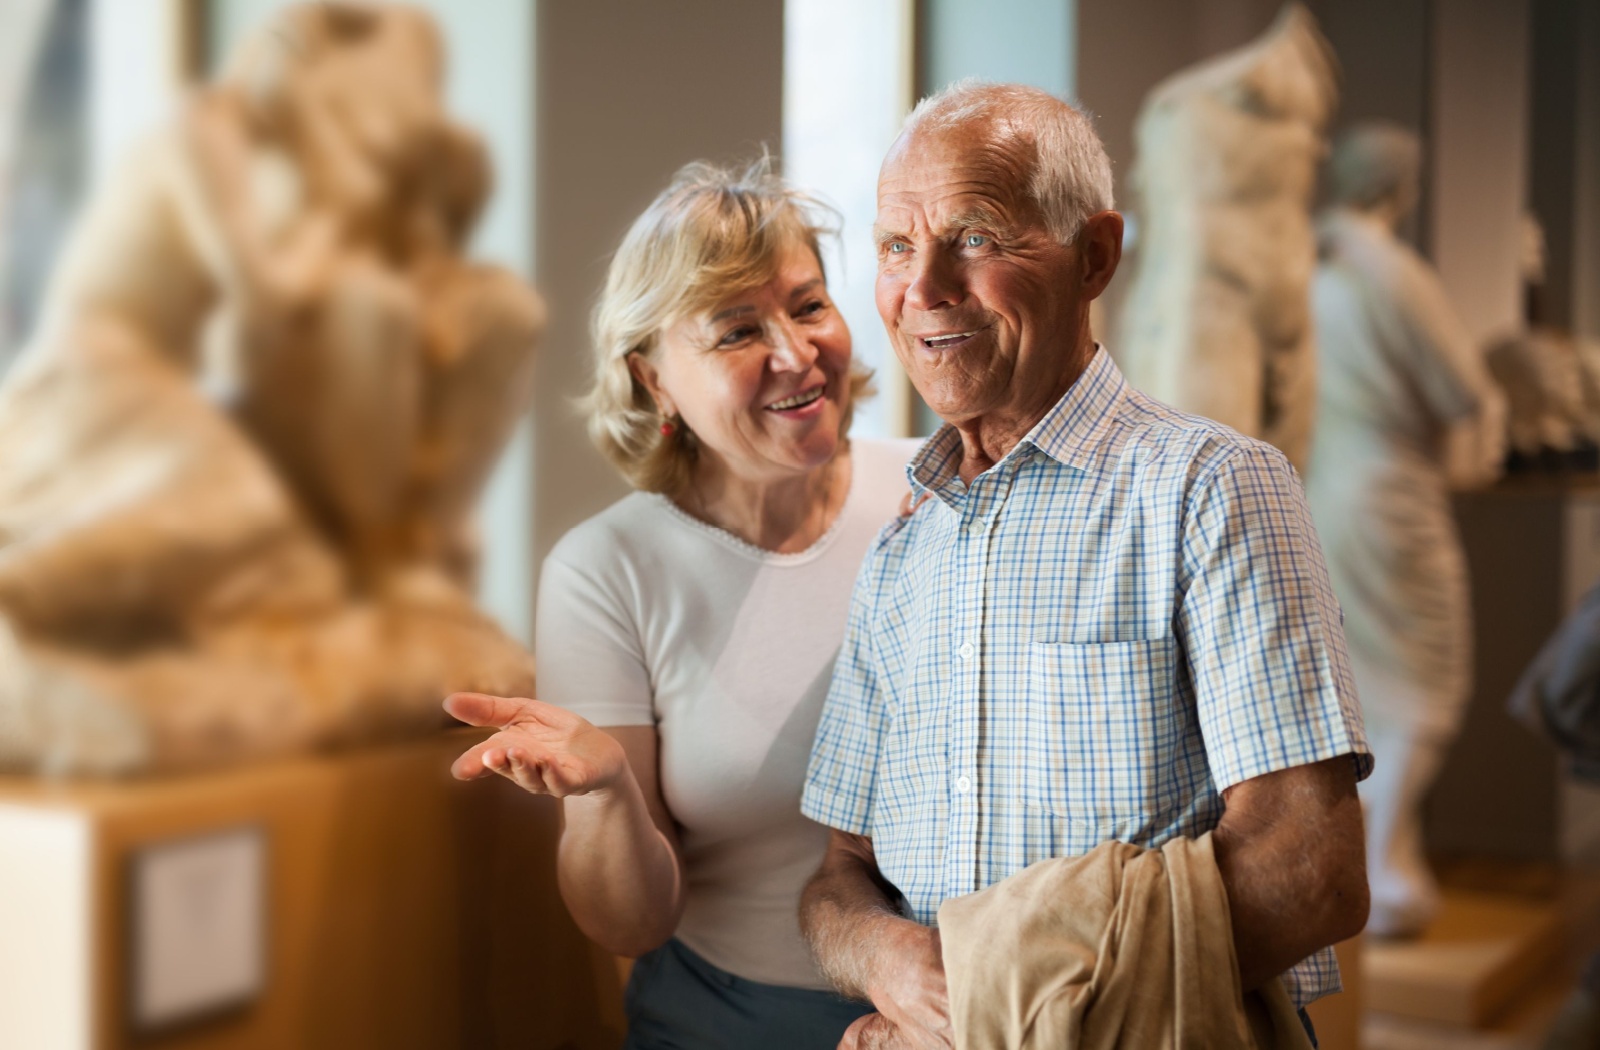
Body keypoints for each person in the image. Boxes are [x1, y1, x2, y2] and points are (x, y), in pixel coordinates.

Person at [798, 81, 1372, 1049]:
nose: (923, 288)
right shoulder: (902, 550)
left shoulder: (1211, 490)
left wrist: (985, 1014)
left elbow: (1308, 873)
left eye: (975, 237)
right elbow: (836, 878)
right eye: (895, 246)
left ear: (1095, 256)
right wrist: (883, 960)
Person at [444, 159, 915, 1049]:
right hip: (729, 1022)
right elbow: (630, 925)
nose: (795, 353)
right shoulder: (605, 570)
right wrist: (608, 795)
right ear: (652, 376)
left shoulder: (941, 487)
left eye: (810, 305)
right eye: (738, 331)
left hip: (971, 1006)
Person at [1306, 122, 1505, 938]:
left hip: (1325, 493)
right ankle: (1380, 865)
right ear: (1400, 186)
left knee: (1364, 687)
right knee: (1431, 681)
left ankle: (1387, 863)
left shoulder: (1312, 266)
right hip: (1391, 496)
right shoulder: (1390, 271)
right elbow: (1464, 390)